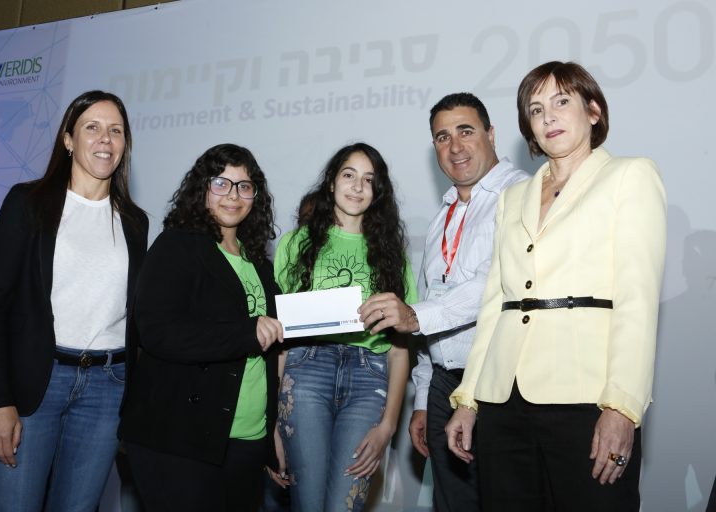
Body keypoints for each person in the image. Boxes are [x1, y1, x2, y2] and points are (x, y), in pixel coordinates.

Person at [445, 61, 666, 511]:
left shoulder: (630, 176)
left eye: (562, 101)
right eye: (536, 109)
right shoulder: (512, 198)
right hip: (503, 400)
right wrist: (468, 400)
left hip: (587, 397)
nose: (548, 117)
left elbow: (637, 302)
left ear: (593, 111)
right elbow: (496, 305)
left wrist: (622, 407)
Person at [0, 91, 149, 512]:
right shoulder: (28, 202)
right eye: (92, 127)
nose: (105, 139)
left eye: (116, 131)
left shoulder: (135, 221)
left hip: (108, 388)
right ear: (68, 140)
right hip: (34, 382)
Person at [358, 93, 529, 511]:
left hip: (500, 384)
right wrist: (423, 400)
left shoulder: (523, 193)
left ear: (491, 134)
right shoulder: (445, 213)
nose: (454, 146)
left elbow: (498, 282)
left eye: (465, 131)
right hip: (443, 386)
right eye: (442, 137)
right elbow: (432, 300)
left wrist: (414, 316)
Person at [119, 143, 284, 512]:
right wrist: (244, 333)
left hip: (248, 438)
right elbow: (157, 331)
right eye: (221, 183)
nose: (233, 195)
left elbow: (273, 345)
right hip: (180, 438)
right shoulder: (176, 245)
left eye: (244, 186)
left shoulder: (258, 262)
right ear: (202, 188)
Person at [271, 142, 416, 512]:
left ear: (377, 191)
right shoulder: (296, 243)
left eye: (368, 179)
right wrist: (272, 421)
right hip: (305, 372)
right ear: (331, 182)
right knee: (307, 503)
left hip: (369, 380)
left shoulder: (392, 255)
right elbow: (280, 339)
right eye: (349, 175)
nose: (357, 186)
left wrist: (389, 426)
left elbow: (400, 349)